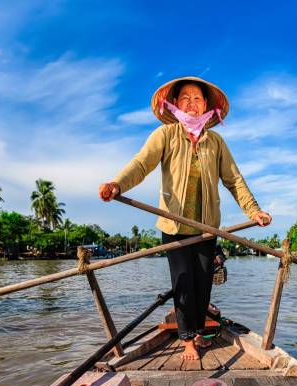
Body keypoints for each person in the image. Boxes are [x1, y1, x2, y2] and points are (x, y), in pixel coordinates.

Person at [99, 76, 272, 360]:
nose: (191, 103)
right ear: (175, 103)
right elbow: (142, 163)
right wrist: (117, 184)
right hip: (174, 225)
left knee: (203, 283)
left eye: (197, 99)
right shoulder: (165, 135)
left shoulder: (215, 142)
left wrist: (253, 210)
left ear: (206, 106)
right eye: (185, 98)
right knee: (183, 282)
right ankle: (187, 338)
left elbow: (234, 180)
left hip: (206, 227)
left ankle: (200, 331)